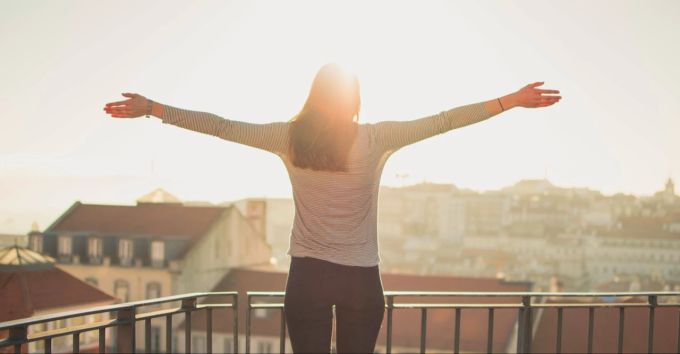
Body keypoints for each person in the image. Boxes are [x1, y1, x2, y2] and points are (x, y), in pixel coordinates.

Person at [104, 63, 561, 353]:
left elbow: (221, 127)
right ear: (355, 100)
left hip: (307, 278)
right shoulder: (376, 138)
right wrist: (510, 101)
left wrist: (154, 108)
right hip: (361, 279)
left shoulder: (288, 138)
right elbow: (443, 122)